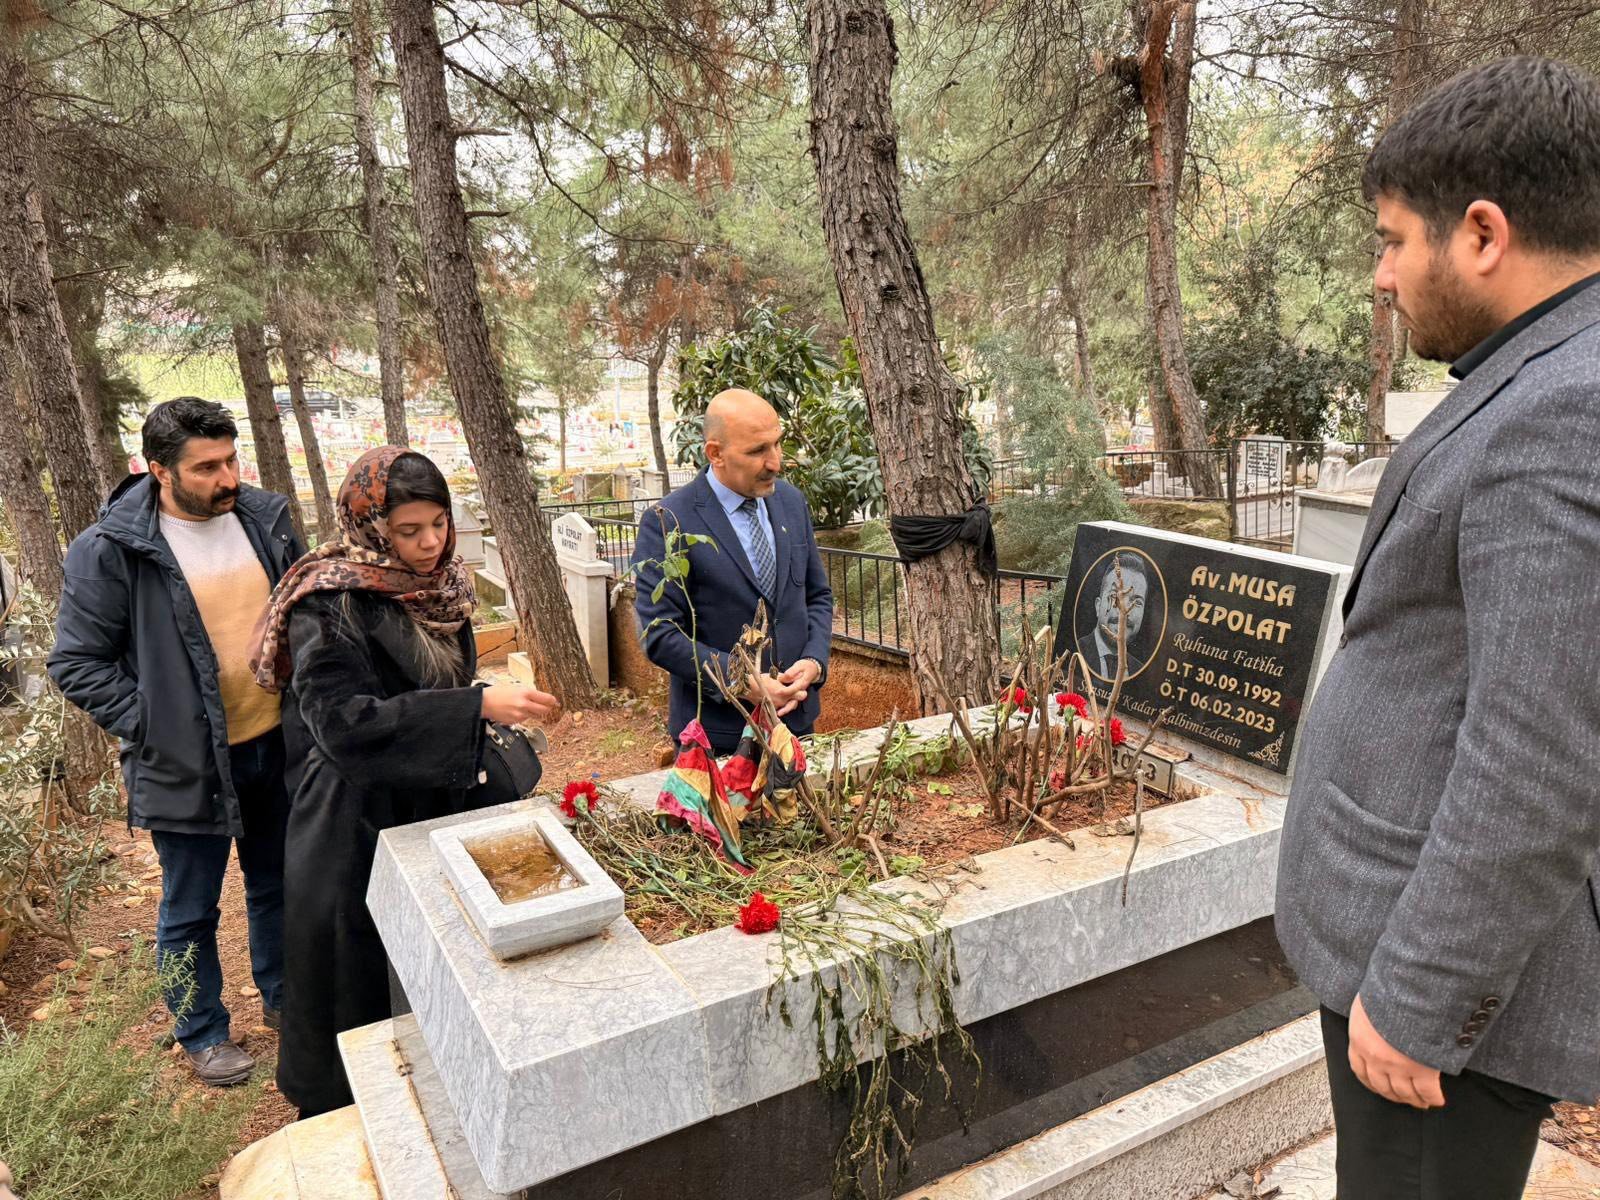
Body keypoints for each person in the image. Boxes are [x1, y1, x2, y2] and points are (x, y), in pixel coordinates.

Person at [1275, 57, 1600, 1200]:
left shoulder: (1566, 411)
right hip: (1409, 942)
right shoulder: (1541, 363)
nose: (1380, 275)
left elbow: (1540, 757)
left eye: (1391, 240)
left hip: (1437, 1014)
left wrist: (1418, 998)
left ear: (1482, 234)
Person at [252, 447, 556, 1117]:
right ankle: (352, 1125)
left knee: (431, 978)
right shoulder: (329, 600)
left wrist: (476, 699)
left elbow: (429, 685)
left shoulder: (442, 588)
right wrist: (474, 707)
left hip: (429, 800)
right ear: (370, 526)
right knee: (355, 990)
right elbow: (344, 725)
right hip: (351, 821)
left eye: (439, 524)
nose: (429, 543)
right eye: (408, 530)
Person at [48, 397, 304, 1087]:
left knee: (279, 884)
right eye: (206, 467)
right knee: (190, 907)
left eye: (231, 460)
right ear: (158, 470)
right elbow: (76, 662)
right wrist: (152, 725)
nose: (227, 478)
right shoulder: (110, 549)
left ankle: (286, 1000)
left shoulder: (264, 518)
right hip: (184, 761)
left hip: (277, 742)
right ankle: (203, 1032)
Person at [632, 389, 834, 755]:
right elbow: (659, 634)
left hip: (797, 723)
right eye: (757, 451)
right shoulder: (669, 521)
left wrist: (814, 661)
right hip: (717, 737)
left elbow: (816, 595)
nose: (775, 462)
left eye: (777, 444)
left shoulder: (790, 502)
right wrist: (741, 680)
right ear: (715, 453)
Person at [1076, 553, 1152, 679]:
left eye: (1136, 602)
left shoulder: (1141, 673)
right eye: (1114, 596)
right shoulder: (1075, 652)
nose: (1124, 610)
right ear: (1098, 606)